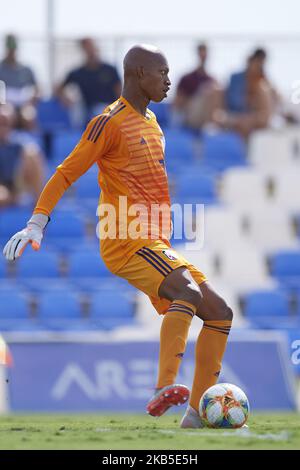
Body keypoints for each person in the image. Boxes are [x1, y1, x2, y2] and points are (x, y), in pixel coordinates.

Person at [3, 45, 233, 428]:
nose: (169, 81)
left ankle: (196, 417)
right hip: (126, 240)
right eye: (162, 73)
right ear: (139, 73)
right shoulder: (107, 121)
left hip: (154, 241)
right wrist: (37, 222)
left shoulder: (154, 121)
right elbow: (64, 173)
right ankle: (163, 388)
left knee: (220, 314)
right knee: (188, 293)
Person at [56, 37, 121, 123]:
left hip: (110, 112)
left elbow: (119, 93)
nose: (90, 50)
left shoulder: (110, 69)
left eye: (91, 46)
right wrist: (65, 99)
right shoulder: (78, 72)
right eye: (86, 48)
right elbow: (58, 88)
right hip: (87, 115)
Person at [214, 48, 275, 138]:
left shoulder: (262, 84)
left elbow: (266, 111)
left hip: (250, 118)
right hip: (235, 115)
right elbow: (231, 102)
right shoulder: (236, 78)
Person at [0, 104, 44, 207]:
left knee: (32, 154)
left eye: (5, 123)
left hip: (17, 187)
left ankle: (40, 207)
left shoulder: (19, 142)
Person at [173, 43, 219, 128]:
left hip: (208, 117)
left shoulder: (212, 80)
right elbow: (177, 103)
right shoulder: (186, 78)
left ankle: (212, 127)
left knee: (215, 90)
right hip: (189, 115)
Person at [0, 34, 39, 131]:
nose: (12, 52)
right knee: (6, 115)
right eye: (10, 48)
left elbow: (37, 89)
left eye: (13, 49)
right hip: (5, 104)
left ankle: (29, 142)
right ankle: (8, 144)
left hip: (25, 104)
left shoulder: (27, 69)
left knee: (29, 117)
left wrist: (31, 100)